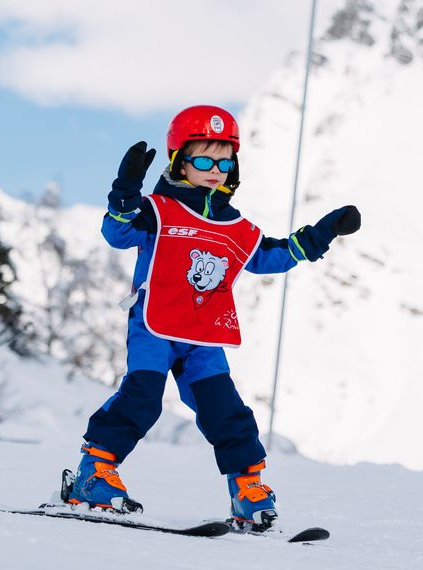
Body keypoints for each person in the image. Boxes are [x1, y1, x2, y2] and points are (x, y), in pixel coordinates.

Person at [65, 106, 361, 530]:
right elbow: (117, 233)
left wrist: (322, 233)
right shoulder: (157, 210)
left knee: (226, 410)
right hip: (154, 326)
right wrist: (126, 190)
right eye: (203, 159)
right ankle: (92, 474)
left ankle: (247, 488)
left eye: (224, 162)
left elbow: (273, 256)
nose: (215, 170)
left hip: (204, 336)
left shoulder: (236, 226)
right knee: (142, 400)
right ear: (179, 161)